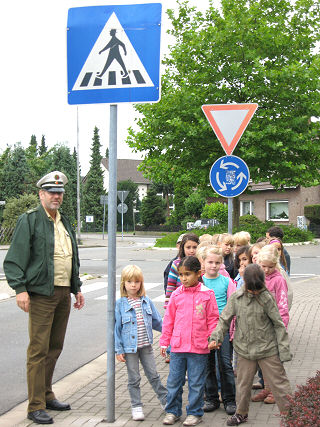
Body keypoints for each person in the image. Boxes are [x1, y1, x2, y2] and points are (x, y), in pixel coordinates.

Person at [3, 171, 84, 425]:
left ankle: (47, 395)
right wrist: (20, 290)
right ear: (41, 194)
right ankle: (35, 405)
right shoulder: (29, 220)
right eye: (51, 192)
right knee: (38, 350)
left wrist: (76, 287)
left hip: (62, 292)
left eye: (59, 192)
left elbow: (71, 257)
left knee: (54, 347)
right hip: (40, 293)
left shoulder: (65, 222)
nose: (56, 196)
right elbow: (14, 260)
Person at [208, 264, 292, 426]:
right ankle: (241, 413)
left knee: (280, 383)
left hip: (268, 349)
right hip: (244, 350)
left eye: (257, 289)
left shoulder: (267, 298)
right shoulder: (236, 298)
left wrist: (283, 350)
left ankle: (290, 415)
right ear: (245, 283)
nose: (254, 292)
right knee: (243, 385)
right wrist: (216, 337)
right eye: (251, 289)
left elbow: (278, 324)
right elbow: (224, 319)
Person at [160, 256, 219, 426]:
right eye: (181, 275)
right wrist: (165, 341)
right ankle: (172, 411)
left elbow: (213, 319)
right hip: (177, 347)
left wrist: (213, 338)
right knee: (174, 382)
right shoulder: (176, 295)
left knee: (196, 383)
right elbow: (169, 320)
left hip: (199, 348)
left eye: (187, 274)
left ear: (198, 273)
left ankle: (194, 413)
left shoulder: (207, 294)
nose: (184, 278)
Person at [115, 265, 167, 421]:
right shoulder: (120, 304)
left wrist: (170, 335)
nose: (133, 285)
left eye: (136, 282)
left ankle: (166, 401)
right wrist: (118, 349)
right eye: (129, 281)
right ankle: (136, 406)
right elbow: (116, 329)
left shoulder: (146, 301)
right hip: (130, 349)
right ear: (123, 283)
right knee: (134, 378)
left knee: (154, 375)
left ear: (141, 283)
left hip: (146, 346)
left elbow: (157, 321)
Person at [201, 247, 237, 416]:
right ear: (203, 262)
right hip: (204, 331)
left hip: (222, 329)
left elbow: (233, 306)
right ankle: (211, 398)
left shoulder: (227, 282)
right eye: (210, 262)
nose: (213, 266)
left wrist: (231, 330)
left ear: (221, 263)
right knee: (208, 365)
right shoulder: (199, 282)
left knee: (225, 365)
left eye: (217, 262)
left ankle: (229, 399)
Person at [252, 245, 290, 404]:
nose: (266, 270)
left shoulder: (279, 280)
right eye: (263, 266)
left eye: (270, 266)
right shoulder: (256, 277)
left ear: (276, 264)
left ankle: (279, 391)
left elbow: (283, 305)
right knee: (261, 361)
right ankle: (267, 387)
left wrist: (280, 327)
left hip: (273, 327)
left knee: (274, 362)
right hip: (257, 326)